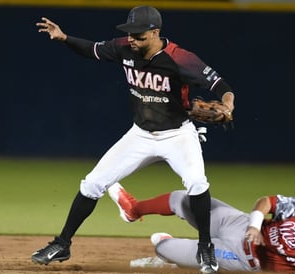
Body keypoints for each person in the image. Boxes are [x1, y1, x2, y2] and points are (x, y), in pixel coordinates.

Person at [32, 6, 235, 274]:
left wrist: (228, 104)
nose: (132, 40)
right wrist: (64, 38)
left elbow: (220, 85)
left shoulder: (180, 58)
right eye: (130, 34)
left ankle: (205, 248)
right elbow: (92, 49)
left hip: (177, 135)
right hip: (139, 135)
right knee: (92, 183)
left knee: (197, 183)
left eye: (139, 36)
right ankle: (62, 244)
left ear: (155, 32)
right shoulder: (124, 48)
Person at [111, 182, 295, 273]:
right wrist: (256, 224)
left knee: (162, 246)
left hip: (242, 256)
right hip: (240, 222)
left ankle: (171, 250)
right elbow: (266, 201)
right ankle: (134, 211)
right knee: (181, 198)